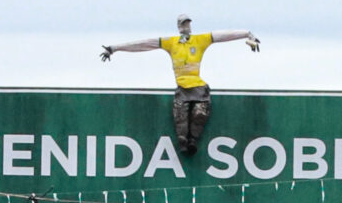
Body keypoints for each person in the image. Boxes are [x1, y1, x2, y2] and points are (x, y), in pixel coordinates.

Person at [101, 15, 262, 156]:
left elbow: (223, 35)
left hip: (198, 87)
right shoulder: (171, 43)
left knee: (200, 114)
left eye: (188, 24)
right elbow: (144, 44)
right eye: (183, 24)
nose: (186, 27)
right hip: (182, 88)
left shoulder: (200, 40)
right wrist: (115, 48)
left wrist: (247, 34)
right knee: (180, 118)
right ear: (179, 27)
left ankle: (193, 141)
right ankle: (184, 143)